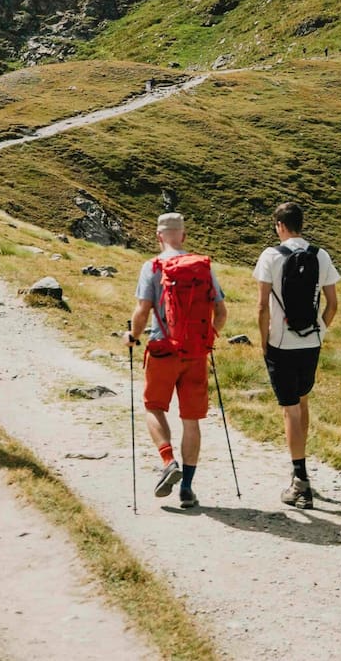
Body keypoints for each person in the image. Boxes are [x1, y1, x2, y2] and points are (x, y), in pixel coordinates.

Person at [127, 212, 227, 508]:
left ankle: (168, 461)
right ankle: (187, 488)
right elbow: (221, 313)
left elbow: (142, 310)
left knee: (154, 408)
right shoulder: (203, 267)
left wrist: (132, 336)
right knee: (191, 420)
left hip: (162, 350)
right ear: (183, 235)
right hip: (195, 353)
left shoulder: (152, 266)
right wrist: (206, 339)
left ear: (159, 236)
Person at [254, 201, 340, 508]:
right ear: (301, 224)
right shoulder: (321, 255)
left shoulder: (270, 256)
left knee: (289, 408)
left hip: (281, 343)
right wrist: (320, 331)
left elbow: (263, 306)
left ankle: (301, 482)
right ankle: (298, 468)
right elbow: (332, 304)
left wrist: (264, 342)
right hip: (312, 343)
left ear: (280, 225)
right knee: (303, 402)